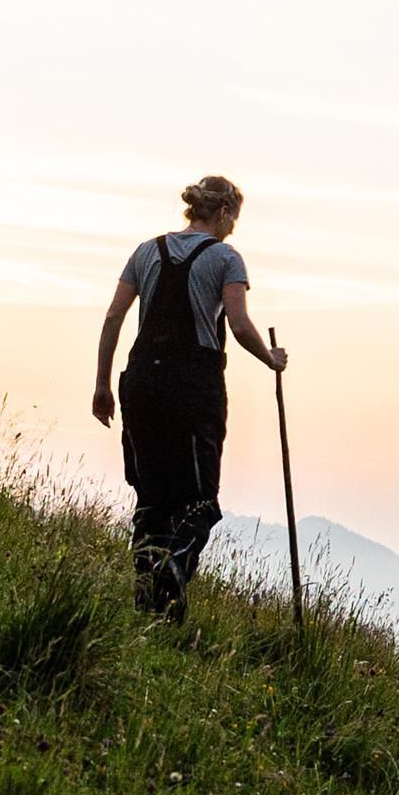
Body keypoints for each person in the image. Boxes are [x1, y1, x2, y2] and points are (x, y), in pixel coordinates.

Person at [91, 174, 283, 616]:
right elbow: (238, 325)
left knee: (152, 499)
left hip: (140, 382)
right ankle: (170, 573)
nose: (232, 228)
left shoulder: (146, 251)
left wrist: (102, 384)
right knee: (198, 501)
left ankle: (149, 604)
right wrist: (270, 359)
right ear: (223, 212)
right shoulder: (227, 259)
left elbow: (114, 317)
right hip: (193, 389)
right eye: (233, 219)